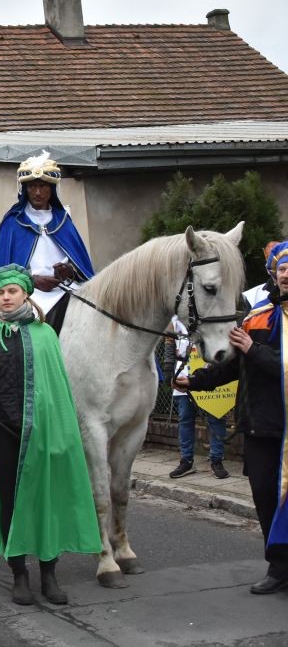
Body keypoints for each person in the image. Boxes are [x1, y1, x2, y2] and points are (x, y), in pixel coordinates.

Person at [0, 264, 100, 605]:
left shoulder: (45, 335)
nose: (6, 297)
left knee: (46, 498)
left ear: (25, 294)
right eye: (1, 293)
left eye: (12, 291)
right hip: (1, 431)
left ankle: (49, 575)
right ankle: (19, 574)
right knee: (11, 501)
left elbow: (57, 389)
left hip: (43, 431)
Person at [176, 241, 288, 594]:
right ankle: (279, 566)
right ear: (274, 273)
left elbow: (272, 364)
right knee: (265, 498)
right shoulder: (255, 318)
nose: (287, 274)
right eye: (283, 268)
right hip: (260, 426)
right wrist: (194, 381)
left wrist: (254, 350)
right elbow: (235, 367)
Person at [0, 151, 95, 332]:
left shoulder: (64, 222)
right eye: (32, 187)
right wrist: (33, 281)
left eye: (43, 186)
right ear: (25, 189)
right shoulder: (12, 223)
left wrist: (69, 271)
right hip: (27, 293)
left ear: (52, 189)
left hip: (65, 288)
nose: (37, 192)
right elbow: (2, 273)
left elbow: (82, 267)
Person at [164, 317, 229, 479]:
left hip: (209, 374)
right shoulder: (174, 320)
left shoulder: (211, 314)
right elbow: (169, 345)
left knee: (216, 417)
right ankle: (186, 461)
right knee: (185, 419)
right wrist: (168, 371)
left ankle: (216, 459)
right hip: (183, 376)